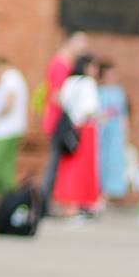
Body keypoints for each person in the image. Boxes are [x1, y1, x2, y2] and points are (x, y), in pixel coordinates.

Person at [39, 29, 89, 215]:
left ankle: (48, 203)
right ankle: (44, 204)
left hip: (60, 118)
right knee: (54, 162)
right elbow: (56, 95)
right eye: (81, 43)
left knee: (57, 162)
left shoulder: (63, 63)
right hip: (59, 119)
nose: (83, 48)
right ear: (70, 43)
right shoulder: (61, 64)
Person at [52, 53, 101, 216]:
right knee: (83, 169)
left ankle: (66, 205)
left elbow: (59, 100)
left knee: (67, 167)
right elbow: (90, 109)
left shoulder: (69, 81)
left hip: (68, 128)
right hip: (85, 129)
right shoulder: (88, 83)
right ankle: (78, 206)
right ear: (87, 67)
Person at [0, 54, 28, 196]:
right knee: (3, 168)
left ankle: (12, 199)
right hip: (5, 130)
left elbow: (9, 102)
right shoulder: (9, 79)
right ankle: (7, 201)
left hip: (7, 130)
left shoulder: (10, 77)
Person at [97, 60, 129, 200]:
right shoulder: (98, 91)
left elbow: (123, 114)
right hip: (102, 130)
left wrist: (125, 133)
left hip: (115, 132)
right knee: (100, 160)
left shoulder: (119, 92)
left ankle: (108, 193)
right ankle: (99, 191)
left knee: (113, 161)